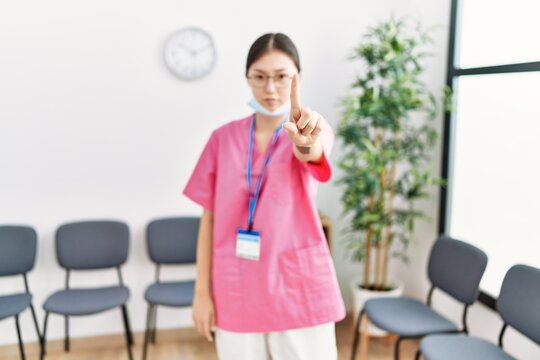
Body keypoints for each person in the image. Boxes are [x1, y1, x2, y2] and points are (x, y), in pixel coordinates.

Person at [183, 33, 346, 360]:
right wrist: (202, 292)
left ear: (297, 77)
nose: (270, 89)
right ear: (247, 78)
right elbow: (209, 218)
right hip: (237, 288)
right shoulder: (222, 139)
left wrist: (304, 142)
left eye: (281, 76)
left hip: (299, 289)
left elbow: (311, 152)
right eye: (259, 77)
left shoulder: (311, 128)